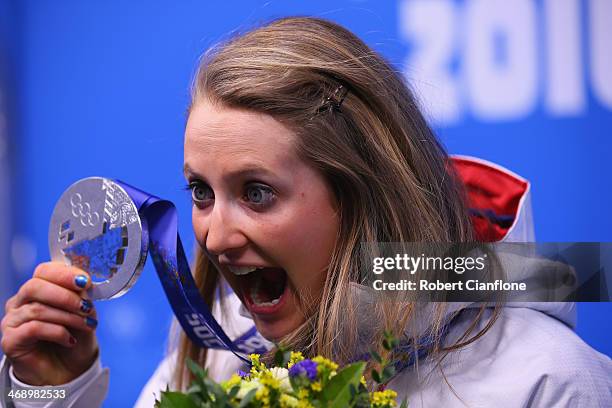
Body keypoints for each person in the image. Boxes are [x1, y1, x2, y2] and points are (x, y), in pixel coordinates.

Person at [1, 17, 610, 408]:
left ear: (360, 195)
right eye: (201, 192)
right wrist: (55, 391)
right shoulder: (210, 358)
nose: (214, 235)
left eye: (257, 192)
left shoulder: (548, 380)